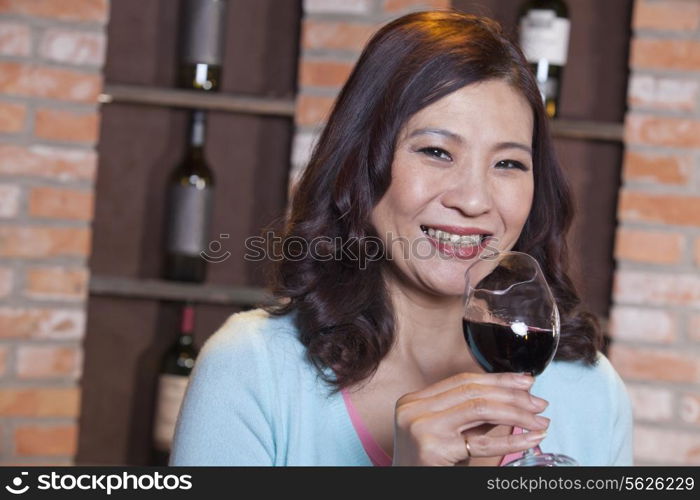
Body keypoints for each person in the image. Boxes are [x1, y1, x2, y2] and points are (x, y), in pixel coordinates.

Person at [170, 10, 633, 466]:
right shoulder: (252, 370)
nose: (474, 200)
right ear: (360, 165)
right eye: (436, 152)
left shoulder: (590, 391)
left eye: (508, 163)